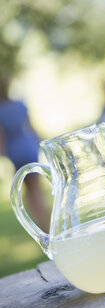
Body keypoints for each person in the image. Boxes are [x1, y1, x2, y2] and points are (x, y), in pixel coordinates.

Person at [0, 76, 50, 232]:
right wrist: (40, 143)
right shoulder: (20, 105)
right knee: (37, 188)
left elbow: (2, 137)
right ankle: (46, 222)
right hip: (28, 145)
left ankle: (41, 224)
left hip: (15, 150)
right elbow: (31, 127)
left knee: (28, 190)